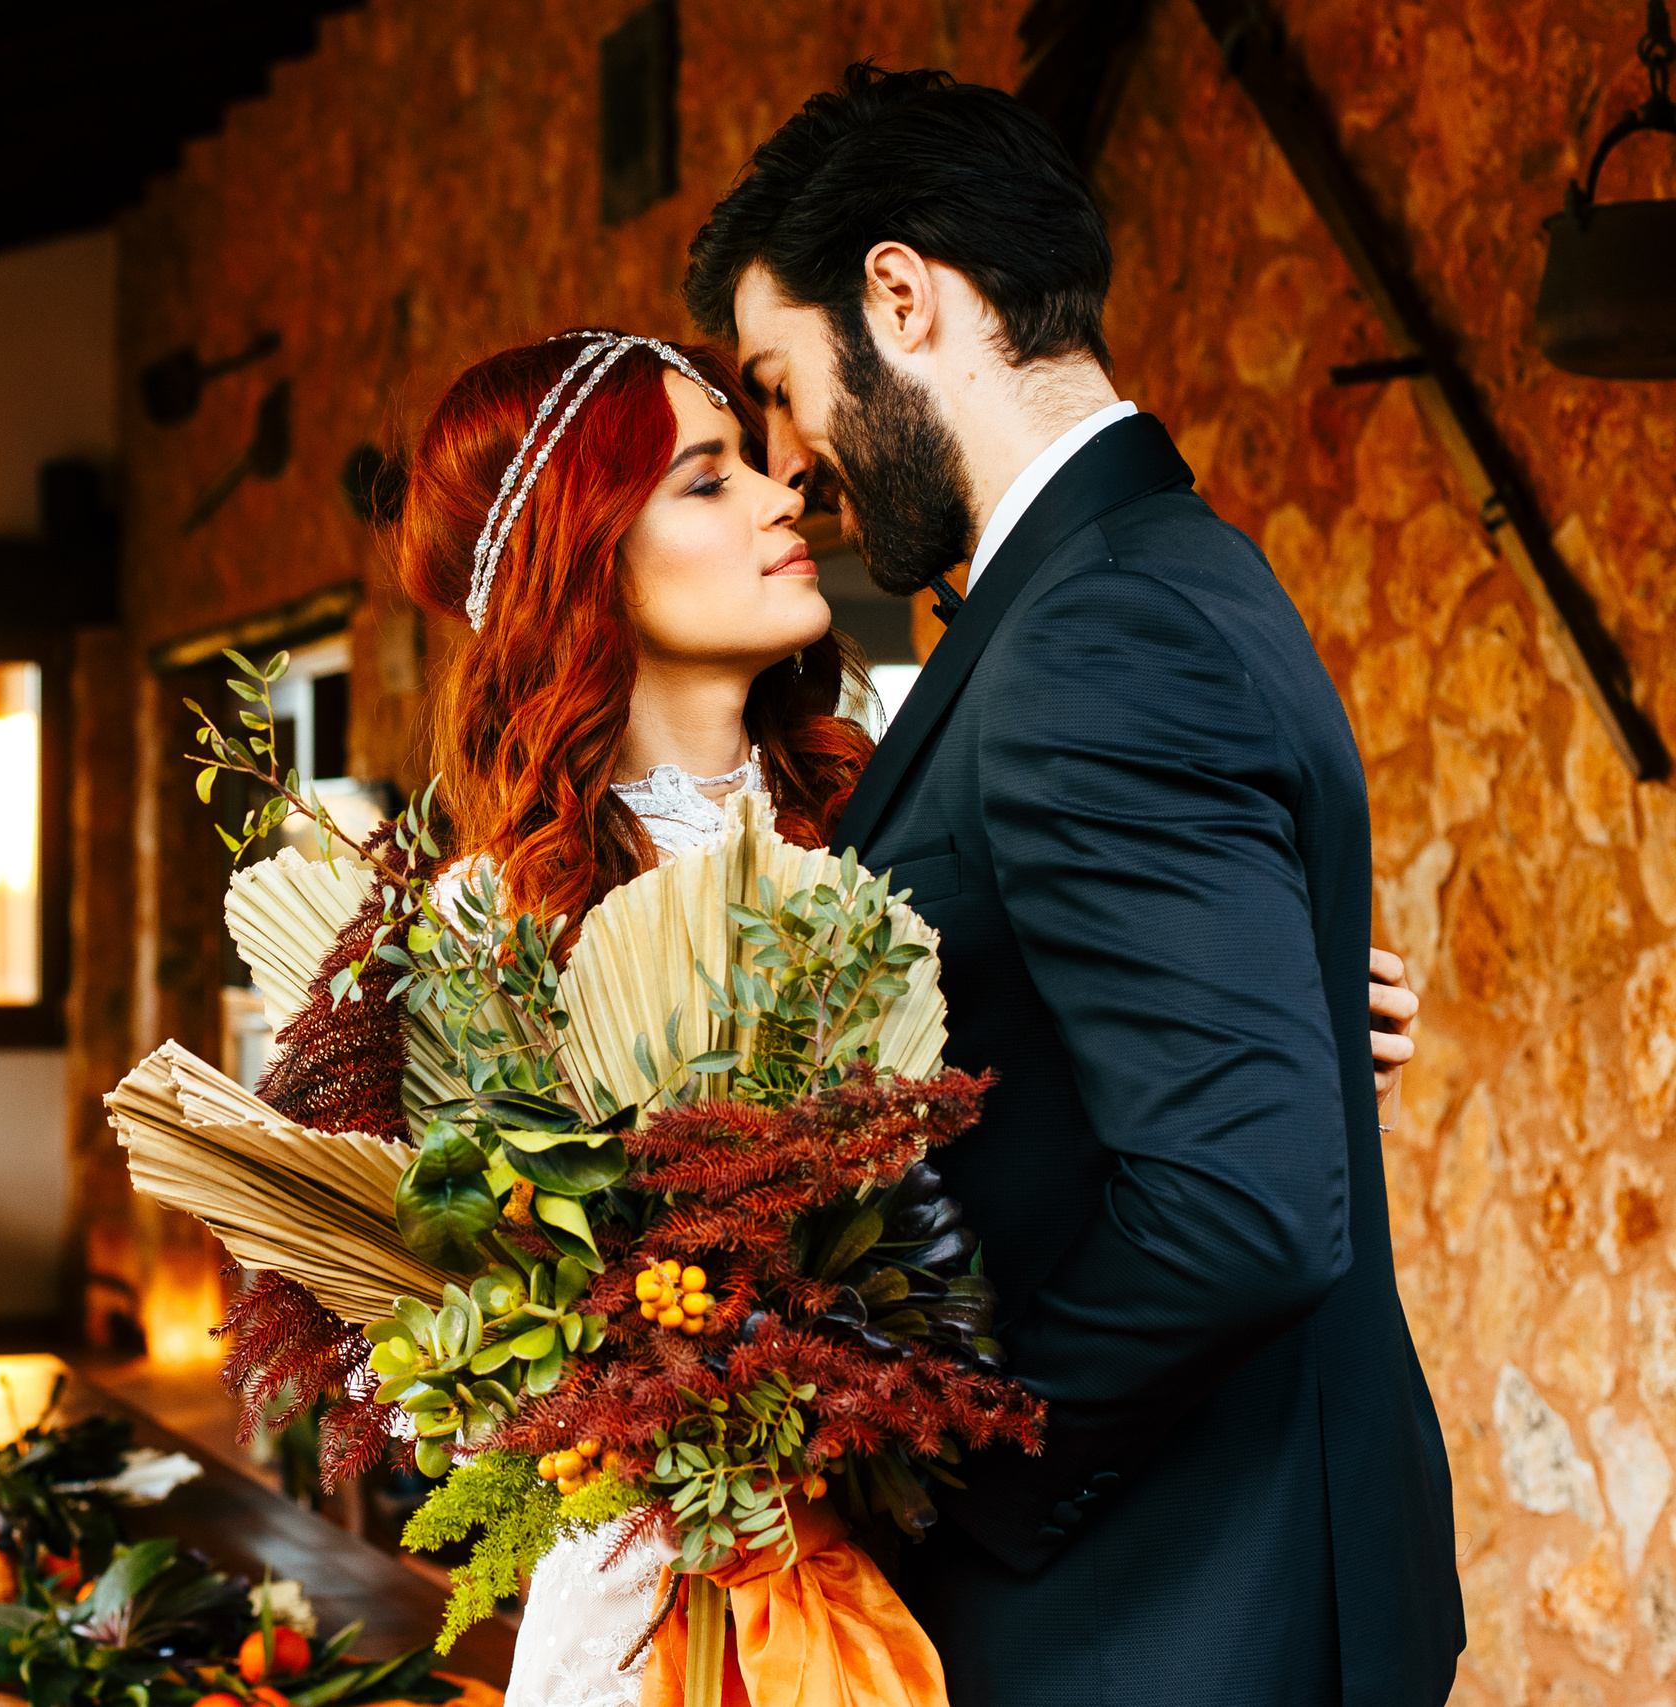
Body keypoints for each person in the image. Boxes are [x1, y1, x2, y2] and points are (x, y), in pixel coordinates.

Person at [252, 321, 1425, 1707]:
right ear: (584, 563)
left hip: (952, 1579)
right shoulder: (481, 930)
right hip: (679, 1604)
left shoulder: (885, 826)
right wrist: (700, 1387)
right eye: (709, 480)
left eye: (760, 459)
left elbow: (1044, 1141)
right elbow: (466, 1376)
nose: (781, 490)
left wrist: (1264, 1046)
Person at [679, 63, 1461, 1706]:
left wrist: (953, 1471)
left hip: (1166, 1603)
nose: (787, 462)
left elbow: (1240, 1203)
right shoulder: (1166, 570)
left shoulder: (1097, 630)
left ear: (899, 294)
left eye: (774, 383)